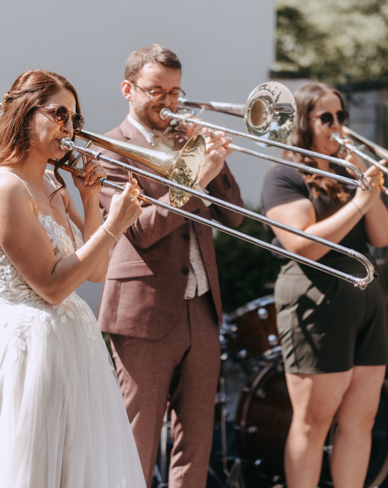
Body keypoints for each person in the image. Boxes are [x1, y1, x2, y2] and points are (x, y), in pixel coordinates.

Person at [0, 69, 146, 487]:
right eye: (59, 114)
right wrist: (114, 226)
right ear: (26, 114)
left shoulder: (50, 183)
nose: (69, 127)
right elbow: (52, 287)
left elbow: (96, 272)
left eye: (75, 119)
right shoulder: (5, 189)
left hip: (73, 344)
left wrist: (89, 199)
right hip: (32, 348)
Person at [94, 44, 244, 487]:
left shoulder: (187, 142)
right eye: (156, 91)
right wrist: (197, 175)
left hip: (202, 308)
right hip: (143, 311)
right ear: (128, 89)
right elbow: (140, 230)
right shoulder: (110, 148)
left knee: (195, 444)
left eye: (175, 92)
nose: (168, 102)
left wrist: (213, 162)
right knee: (136, 441)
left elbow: (234, 216)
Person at [260, 81, 388, 488]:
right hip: (317, 296)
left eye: (342, 116)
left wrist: (367, 189)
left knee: (361, 419)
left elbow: (383, 235)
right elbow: (304, 245)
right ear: (303, 123)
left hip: (365, 294)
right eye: (327, 118)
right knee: (314, 421)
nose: (338, 125)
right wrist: (359, 203)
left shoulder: (348, 173)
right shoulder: (283, 175)